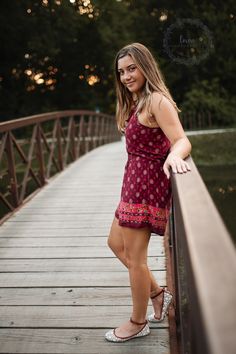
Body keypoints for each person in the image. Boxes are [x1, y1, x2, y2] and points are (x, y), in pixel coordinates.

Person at [105, 43, 192, 343]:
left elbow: (181, 139)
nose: (126, 76)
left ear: (145, 66)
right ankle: (157, 293)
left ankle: (138, 321)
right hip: (132, 184)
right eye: (121, 72)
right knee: (116, 244)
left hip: (146, 189)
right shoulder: (136, 101)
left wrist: (174, 155)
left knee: (137, 259)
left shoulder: (157, 100)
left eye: (131, 69)